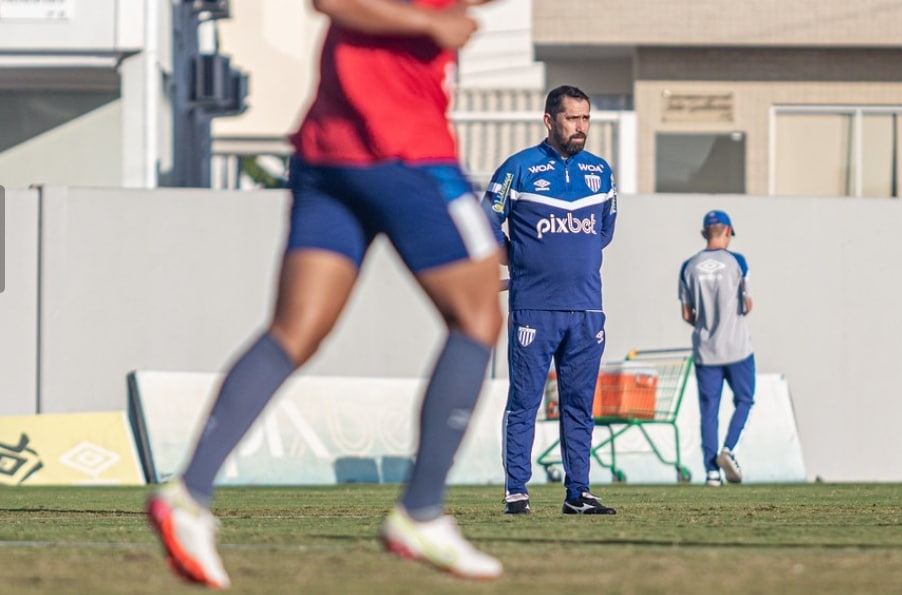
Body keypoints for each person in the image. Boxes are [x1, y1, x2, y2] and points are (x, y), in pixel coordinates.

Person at [145, 0, 505, 587]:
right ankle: (421, 513)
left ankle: (188, 496)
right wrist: (429, 24)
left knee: (295, 331)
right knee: (478, 317)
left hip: (328, 155)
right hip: (401, 150)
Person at [483, 85, 618, 515]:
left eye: (586, 118)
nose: (581, 126)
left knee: (579, 406)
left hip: (586, 309)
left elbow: (603, 233)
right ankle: (516, 492)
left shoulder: (601, 172)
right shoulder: (519, 168)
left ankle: (578, 493)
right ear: (549, 120)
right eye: (572, 118)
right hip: (534, 308)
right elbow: (485, 222)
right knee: (524, 403)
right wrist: (518, 258)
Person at [678, 209, 755, 487]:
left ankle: (711, 472)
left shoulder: (688, 266)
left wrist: (705, 324)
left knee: (709, 411)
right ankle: (729, 449)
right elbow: (747, 304)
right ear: (728, 231)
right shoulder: (738, 262)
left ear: (704, 233)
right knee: (745, 400)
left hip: (705, 350)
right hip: (737, 348)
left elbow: (687, 313)